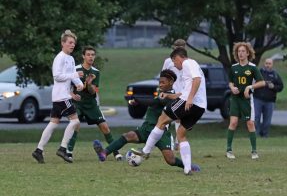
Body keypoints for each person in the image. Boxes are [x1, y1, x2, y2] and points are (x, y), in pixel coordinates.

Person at [93, 69, 200, 172]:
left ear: (171, 82)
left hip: (161, 132)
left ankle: (188, 166)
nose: (160, 84)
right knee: (128, 136)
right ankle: (104, 153)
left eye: (163, 82)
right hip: (146, 127)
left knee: (170, 160)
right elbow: (152, 103)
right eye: (159, 82)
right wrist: (136, 103)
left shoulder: (170, 96)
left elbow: (154, 103)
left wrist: (138, 100)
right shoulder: (161, 92)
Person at [132, 48, 207, 175]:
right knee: (181, 134)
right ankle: (187, 168)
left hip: (189, 102)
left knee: (162, 119)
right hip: (199, 107)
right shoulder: (191, 67)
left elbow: (197, 80)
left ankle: (146, 151)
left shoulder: (188, 63)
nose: (175, 66)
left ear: (178, 57)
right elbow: (182, 93)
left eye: (174, 62)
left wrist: (189, 99)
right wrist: (168, 95)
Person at [32, 30, 84, 163]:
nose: (72, 45)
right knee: (75, 121)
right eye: (70, 42)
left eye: (74, 43)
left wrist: (79, 84)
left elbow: (72, 75)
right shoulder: (59, 58)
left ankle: (38, 150)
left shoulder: (71, 59)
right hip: (62, 96)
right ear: (63, 43)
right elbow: (57, 76)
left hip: (61, 96)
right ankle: (63, 148)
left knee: (53, 123)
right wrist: (74, 76)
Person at [66, 45, 122, 161]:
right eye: (88, 55)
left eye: (92, 55)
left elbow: (93, 92)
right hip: (78, 103)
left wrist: (89, 83)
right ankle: (69, 152)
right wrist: (72, 96)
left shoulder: (96, 72)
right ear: (83, 56)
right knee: (75, 125)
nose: (91, 57)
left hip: (91, 104)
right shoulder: (75, 69)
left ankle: (115, 152)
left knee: (105, 127)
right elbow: (67, 87)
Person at [226, 42, 265, 160]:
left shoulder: (252, 67)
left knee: (250, 123)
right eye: (239, 51)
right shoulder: (233, 68)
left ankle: (254, 151)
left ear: (248, 53)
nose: (241, 53)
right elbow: (230, 82)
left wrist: (250, 87)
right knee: (233, 122)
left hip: (247, 100)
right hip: (235, 99)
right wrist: (232, 88)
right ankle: (229, 150)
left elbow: (262, 82)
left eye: (243, 51)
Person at [162, 39, 186, 150]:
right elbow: (163, 76)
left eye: (181, 47)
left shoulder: (188, 62)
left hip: (182, 93)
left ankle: (177, 143)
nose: (178, 49)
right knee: (166, 117)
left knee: (178, 118)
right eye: (177, 47)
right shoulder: (168, 61)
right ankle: (166, 141)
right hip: (171, 92)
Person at [254, 58, 284, 138]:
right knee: (256, 117)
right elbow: (252, 83)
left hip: (270, 101)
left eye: (269, 63)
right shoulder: (259, 72)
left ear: (272, 65)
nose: (268, 65)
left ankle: (265, 135)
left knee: (267, 120)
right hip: (257, 99)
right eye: (266, 63)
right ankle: (256, 134)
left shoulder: (275, 75)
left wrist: (274, 87)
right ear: (264, 63)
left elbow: (281, 86)